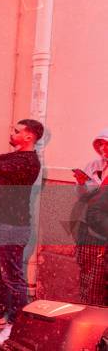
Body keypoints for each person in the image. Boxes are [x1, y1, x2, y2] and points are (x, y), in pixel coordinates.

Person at [0, 116, 43, 346]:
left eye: (16, 131)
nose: (11, 134)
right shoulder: (18, 156)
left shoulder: (28, 162)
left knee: (13, 279)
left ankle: (15, 325)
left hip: (11, 226)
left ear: (28, 136)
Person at [73, 128, 107, 305]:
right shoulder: (93, 165)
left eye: (106, 144)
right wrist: (81, 184)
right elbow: (82, 197)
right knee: (90, 283)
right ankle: (91, 326)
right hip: (89, 234)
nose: (103, 149)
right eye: (100, 145)